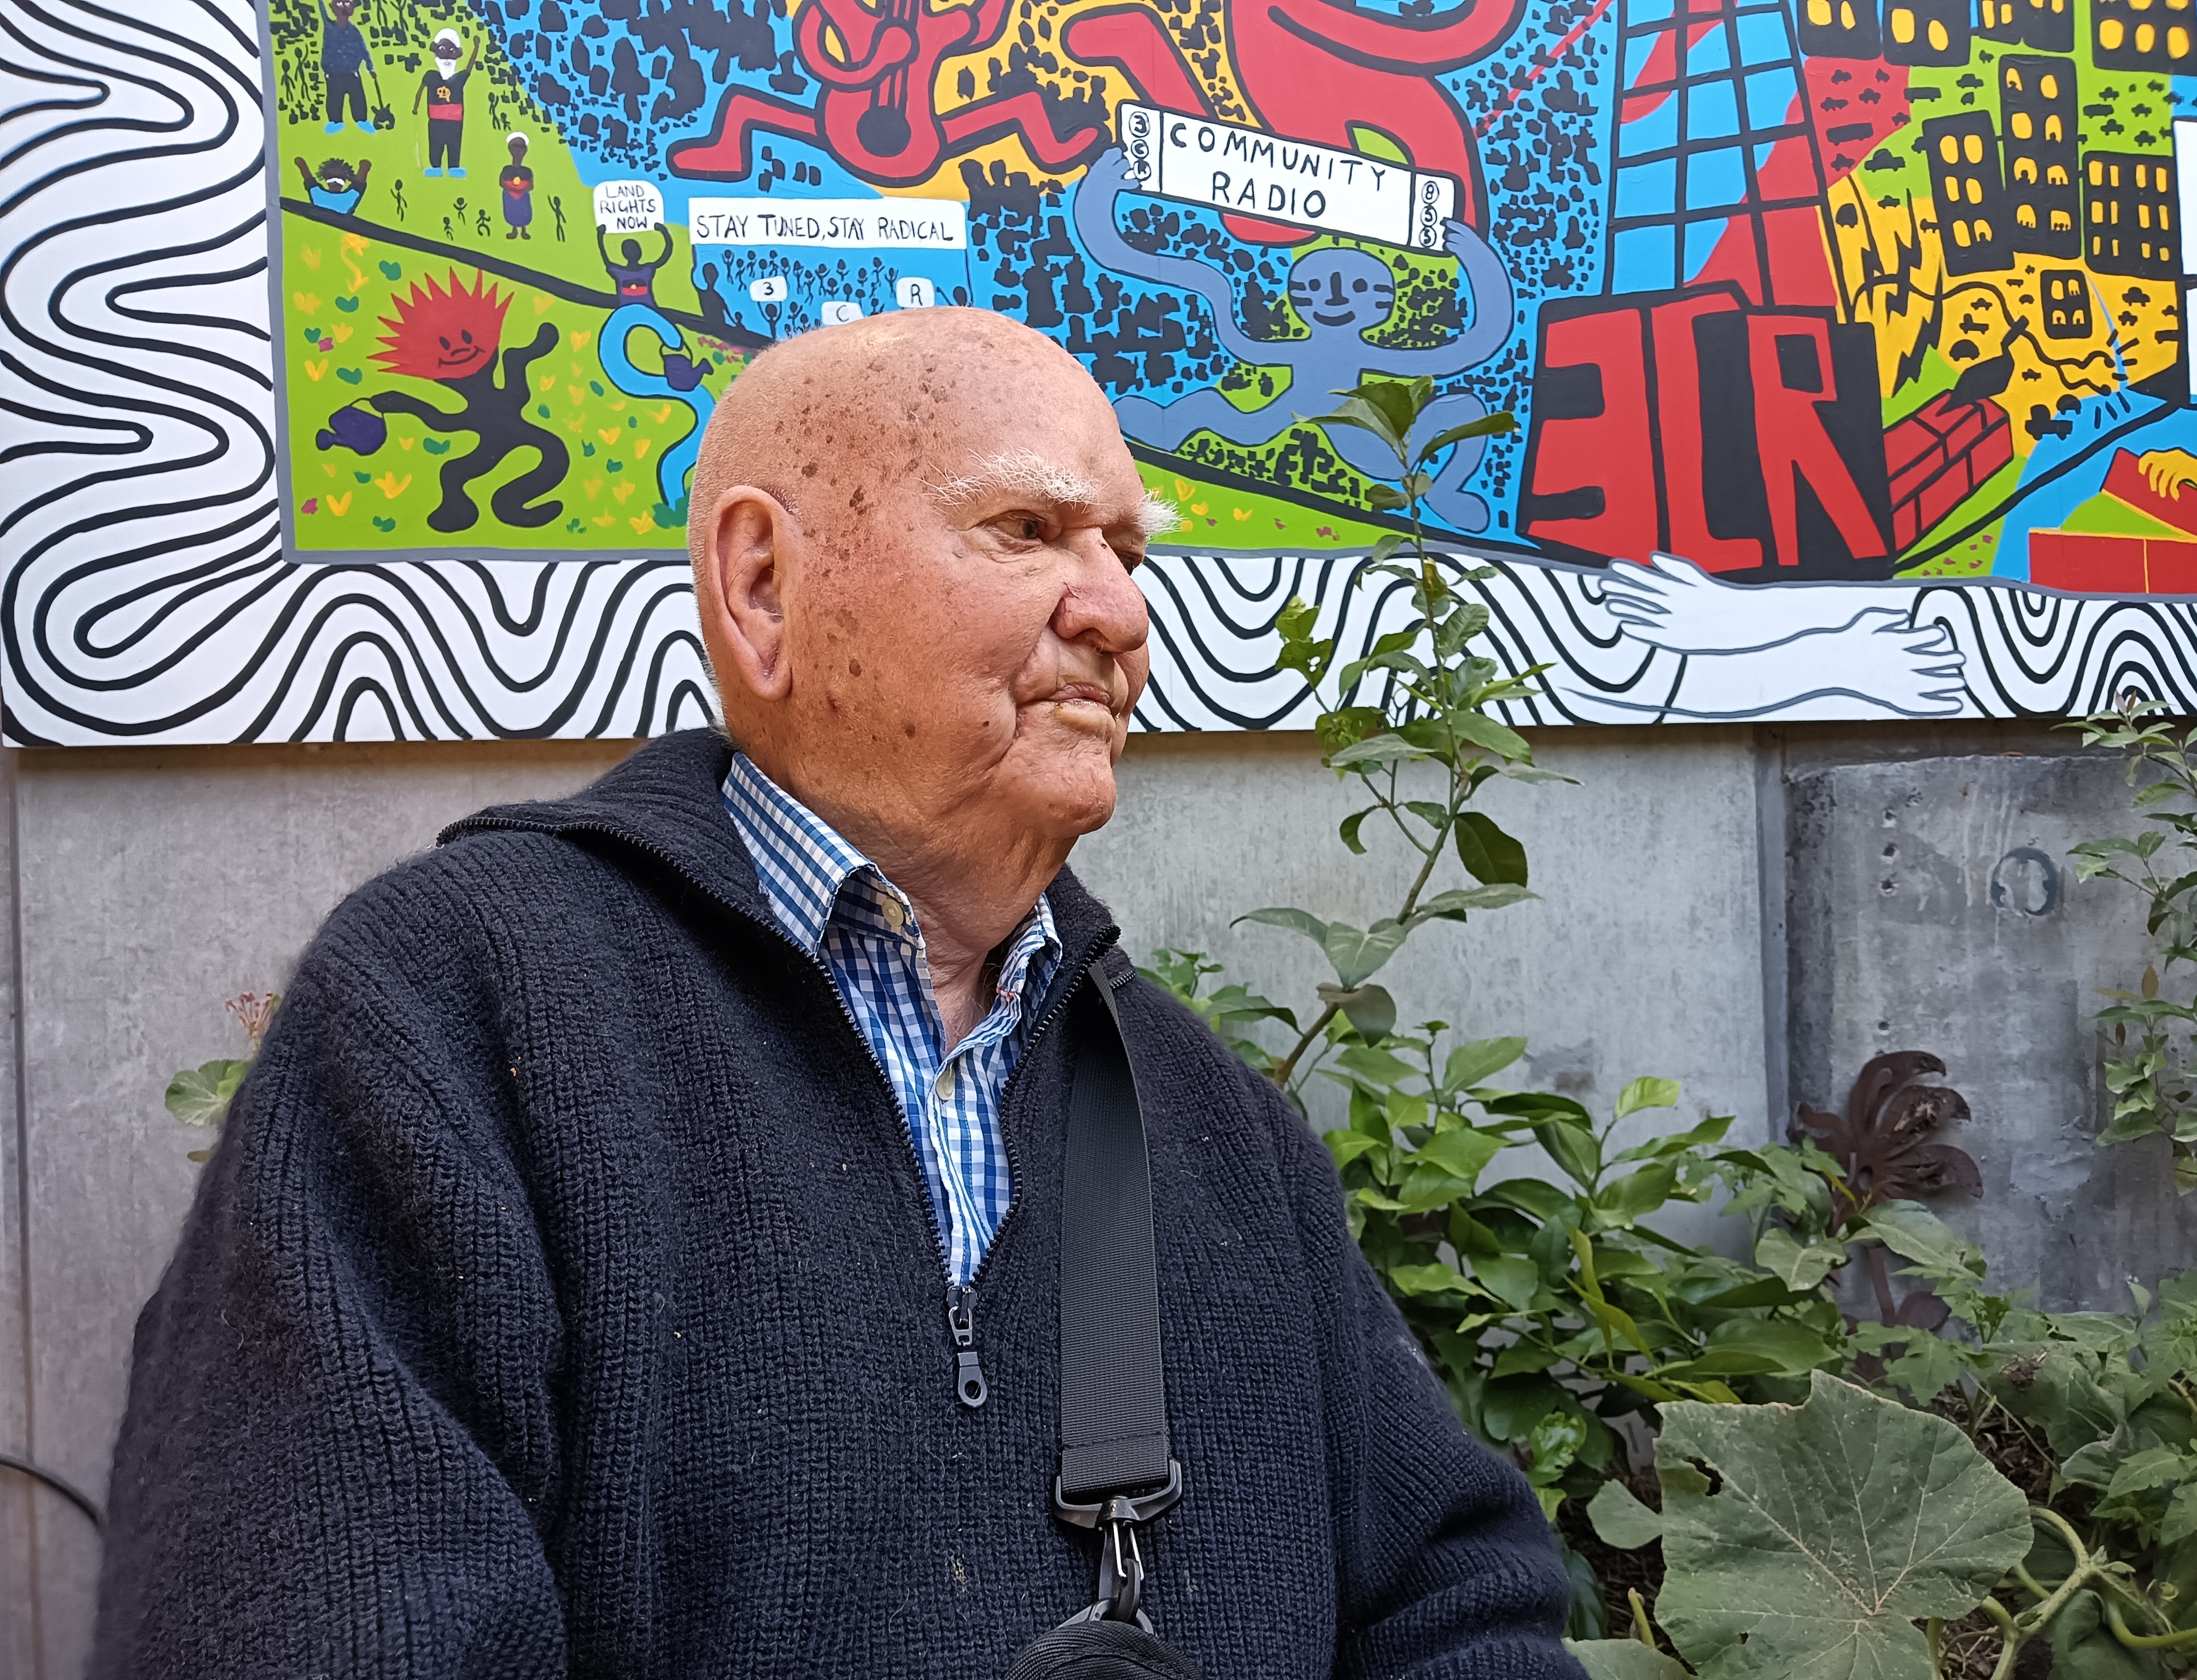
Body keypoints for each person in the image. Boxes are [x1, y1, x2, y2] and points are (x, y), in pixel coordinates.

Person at [87, 307, 1578, 1679]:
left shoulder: (1210, 1122)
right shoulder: (450, 1015)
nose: (1122, 615)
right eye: (1030, 529)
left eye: (1132, 553)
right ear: (761, 585)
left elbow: (1466, 1607)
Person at [416, 26, 478, 178]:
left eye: (452, 51)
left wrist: (477, 47)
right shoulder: (431, 76)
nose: (447, 57)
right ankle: (436, 167)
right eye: (443, 49)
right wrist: (415, 107)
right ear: (436, 51)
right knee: (435, 144)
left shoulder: (458, 79)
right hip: (436, 120)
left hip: (455, 121)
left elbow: (470, 67)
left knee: (454, 144)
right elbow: (421, 90)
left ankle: (454, 167)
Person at [320, 0, 373, 134]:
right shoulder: (330, 27)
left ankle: (362, 120)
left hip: (352, 73)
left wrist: (370, 67)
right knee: (334, 99)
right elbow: (322, 11)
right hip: (334, 74)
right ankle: (335, 122)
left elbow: (363, 50)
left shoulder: (354, 31)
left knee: (358, 98)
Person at [499, 132, 534, 240]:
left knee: (524, 213)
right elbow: (502, 182)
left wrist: (522, 190)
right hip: (510, 196)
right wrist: (511, 189)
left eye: (521, 147)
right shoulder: (507, 170)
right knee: (512, 212)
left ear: (525, 150)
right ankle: (514, 230)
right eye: (515, 147)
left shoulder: (527, 171)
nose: (519, 150)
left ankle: (524, 230)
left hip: (523, 197)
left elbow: (531, 186)